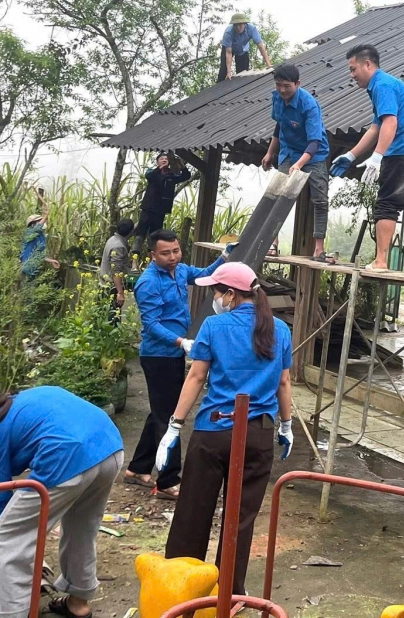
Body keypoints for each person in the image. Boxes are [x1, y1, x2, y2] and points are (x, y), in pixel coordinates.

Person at [157, 261, 293, 601]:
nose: (215, 298)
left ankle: (180, 586)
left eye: (216, 292)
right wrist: (287, 425)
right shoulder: (279, 329)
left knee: (193, 510)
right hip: (258, 435)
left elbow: (196, 376)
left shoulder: (214, 326)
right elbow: (284, 382)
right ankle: (229, 594)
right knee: (241, 518)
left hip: (214, 431)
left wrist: (174, 425)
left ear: (230, 294)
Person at [0, 377, 123, 618]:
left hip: (67, 456)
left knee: (9, 537)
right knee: (81, 527)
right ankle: (78, 604)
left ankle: (7, 614)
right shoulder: (32, 396)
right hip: (110, 446)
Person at [126, 229, 233, 499]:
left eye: (176, 251)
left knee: (160, 411)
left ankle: (137, 468)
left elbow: (204, 275)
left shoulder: (181, 270)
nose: (173, 257)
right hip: (158, 356)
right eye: (166, 253)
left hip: (173, 354)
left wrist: (223, 257)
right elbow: (151, 325)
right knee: (169, 417)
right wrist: (181, 342)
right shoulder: (148, 283)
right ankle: (168, 480)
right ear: (153, 255)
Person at [330, 44, 404, 276]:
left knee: (387, 205)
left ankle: (381, 261)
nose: (352, 76)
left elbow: (390, 122)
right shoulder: (387, 85)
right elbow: (375, 127)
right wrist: (352, 154)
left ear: (367, 64)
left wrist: (377, 156)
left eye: (353, 69)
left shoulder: (381, 85)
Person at [261, 63, 332, 262]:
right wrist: (270, 152)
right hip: (288, 151)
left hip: (314, 154)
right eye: (278, 85)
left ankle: (319, 249)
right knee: (278, 195)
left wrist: (300, 164)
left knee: (320, 200)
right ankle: (272, 244)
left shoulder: (309, 105)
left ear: (297, 84)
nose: (282, 90)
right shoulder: (277, 98)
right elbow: (279, 125)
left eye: (287, 86)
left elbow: (314, 142)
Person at [132, 153, 191, 256]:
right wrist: (160, 168)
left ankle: (151, 259)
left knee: (155, 235)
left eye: (166, 158)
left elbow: (186, 176)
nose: (164, 160)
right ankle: (134, 260)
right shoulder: (152, 172)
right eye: (161, 159)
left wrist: (181, 165)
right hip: (148, 208)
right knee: (140, 234)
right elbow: (149, 176)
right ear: (157, 162)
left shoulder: (172, 176)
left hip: (160, 211)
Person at [218, 12, 272, 81]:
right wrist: (228, 72)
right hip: (229, 49)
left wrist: (268, 64)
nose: (238, 27)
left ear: (245, 24)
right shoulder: (228, 32)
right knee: (224, 71)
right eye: (235, 25)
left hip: (242, 50)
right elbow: (228, 53)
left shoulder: (251, 29)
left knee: (243, 73)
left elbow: (260, 46)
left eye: (240, 25)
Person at [99, 218, 134, 320]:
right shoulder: (119, 246)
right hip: (111, 289)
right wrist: (120, 293)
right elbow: (116, 271)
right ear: (131, 232)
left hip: (104, 285)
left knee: (103, 318)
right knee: (111, 320)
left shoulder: (112, 239)